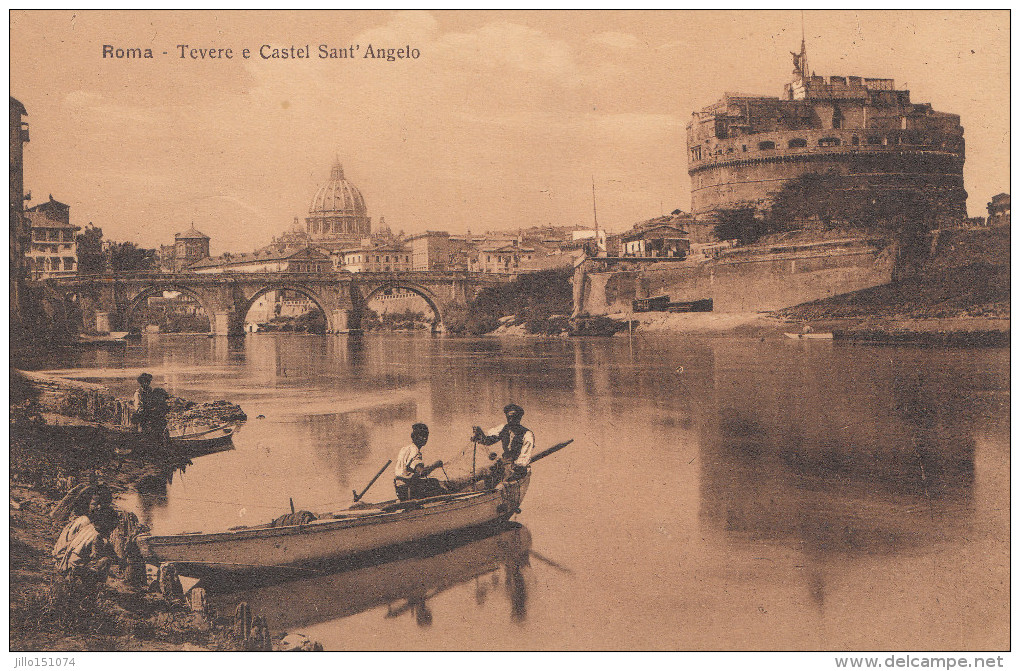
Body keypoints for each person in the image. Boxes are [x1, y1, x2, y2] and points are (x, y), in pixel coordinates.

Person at [53, 506, 119, 586]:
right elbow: (96, 555)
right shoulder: (97, 537)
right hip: (74, 570)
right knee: (105, 561)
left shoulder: (88, 528)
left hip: (65, 564)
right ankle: (92, 588)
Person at [471, 404, 535, 484]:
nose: (511, 420)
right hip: (504, 464)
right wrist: (480, 435)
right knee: (482, 472)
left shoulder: (527, 434)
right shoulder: (504, 429)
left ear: (519, 418)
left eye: (514, 417)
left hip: (517, 469)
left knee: (502, 482)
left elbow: (524, 458)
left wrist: (513, 468)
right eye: (509, 417)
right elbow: (488, 441)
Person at [393, 423, 446, 501]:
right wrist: (435, 465)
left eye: (426, 436)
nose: (424, 439)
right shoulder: (415, 452)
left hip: (399, 489)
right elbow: (422, 472)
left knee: (432, 482)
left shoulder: (405, 449)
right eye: (421, 436)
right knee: (437, 484)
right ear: (414, 437)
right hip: (408, 490)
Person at [131, 373, 170, 444]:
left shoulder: (150, 390)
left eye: (148, 381)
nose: (147, 383)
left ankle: (159, 436)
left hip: (150, 411)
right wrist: (149, 410)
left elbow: (153, 401)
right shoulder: (138, 393)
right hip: (142, 413)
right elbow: (138, 407)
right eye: (145, 382)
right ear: (141, 383)